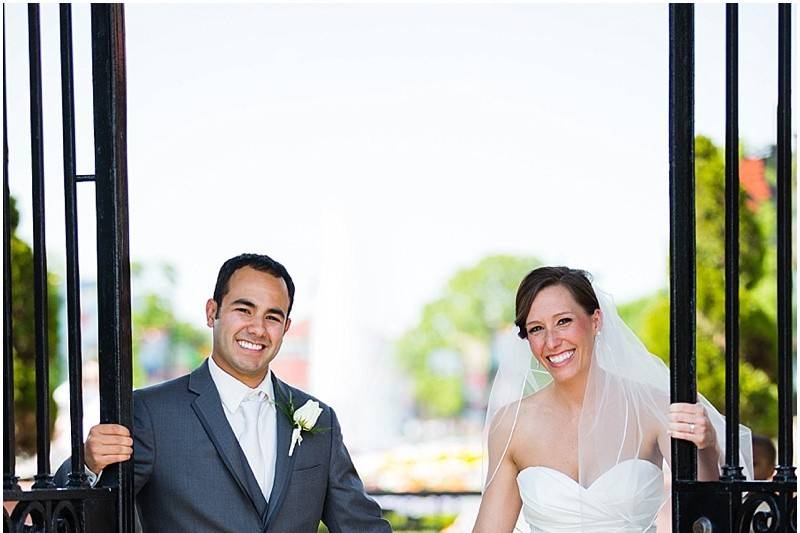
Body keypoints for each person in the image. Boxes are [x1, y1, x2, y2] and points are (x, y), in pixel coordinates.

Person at [59, 253, 391, 533]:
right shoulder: (151, 413)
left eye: (272, 317)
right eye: (243, 310)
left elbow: (361, 526)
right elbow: (69, 514)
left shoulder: (319, 419)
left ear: (286, 328)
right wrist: (87, 463)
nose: (258, 328)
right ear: (212, 312)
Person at [473, 266, 752, 533]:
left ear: (596, 320)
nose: (551, 341)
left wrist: (708, 446)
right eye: (536, 329)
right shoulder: (512, 424)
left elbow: (703, 510)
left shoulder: (652, 408)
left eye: (564, 321)